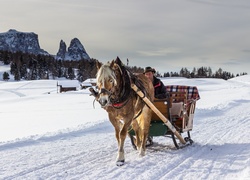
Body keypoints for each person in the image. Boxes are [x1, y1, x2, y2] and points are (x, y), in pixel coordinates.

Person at [144, 66, 167, 146]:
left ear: (153, 74)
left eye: (149, 74)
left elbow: (165, 94)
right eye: (146, 74)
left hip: (158, 106)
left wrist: (156, 97)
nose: (148, 76)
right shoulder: (143, 84)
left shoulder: (159, 83)